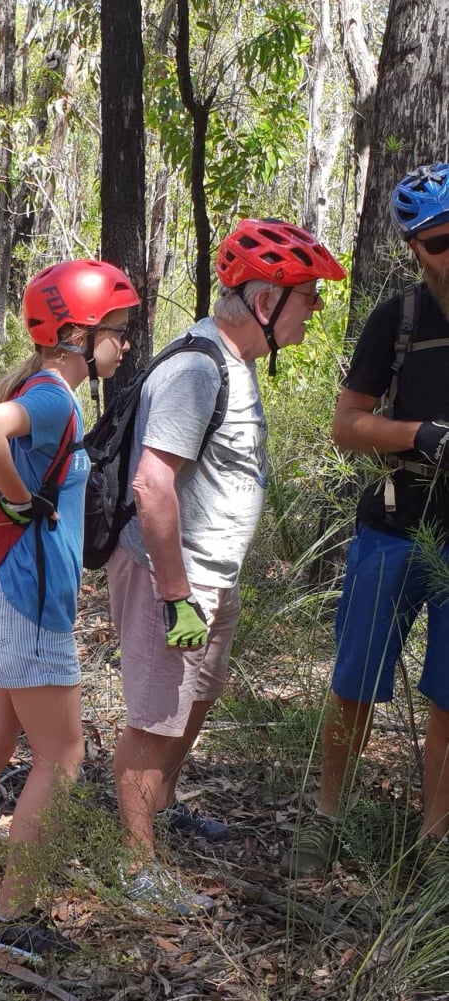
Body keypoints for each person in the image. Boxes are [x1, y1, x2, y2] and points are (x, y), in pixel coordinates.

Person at [109, 219, 344, 911]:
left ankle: (162, 807)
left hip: (210, 576)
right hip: (173, 579)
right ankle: (135, 867)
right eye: (308, 296)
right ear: (268, 302)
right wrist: (177, 595)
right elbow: (151, 483)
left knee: (196, 696)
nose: (318, 309)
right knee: (152, 718)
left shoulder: (231, 362)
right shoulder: (196, 367)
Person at [0, 261, 137, 957]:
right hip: (28, 607)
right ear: (77, 334)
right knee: (64, 757)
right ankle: (13, 915)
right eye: (117, 331)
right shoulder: (55, 399)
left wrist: (0, 487)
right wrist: (16, 497)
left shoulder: (35, 389)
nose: (125, 344)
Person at [289, 163, 449, 877]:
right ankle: (325, 818)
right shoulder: (399, 318)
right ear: (415, 246)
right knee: (355, 680)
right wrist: (419, 436)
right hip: (393, 526)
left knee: (448, 695)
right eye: (440, 239)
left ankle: (433, 842)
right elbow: (347, 424)